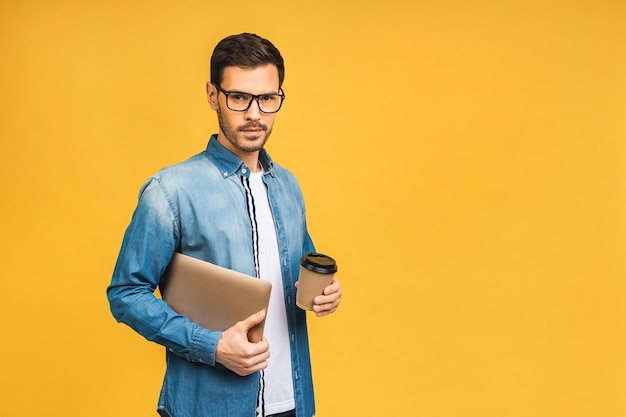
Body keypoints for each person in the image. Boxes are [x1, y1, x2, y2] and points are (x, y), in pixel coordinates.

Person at [106, 33, 342, 417]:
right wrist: (210, 345)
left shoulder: (288, 185)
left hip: (293, 402)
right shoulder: (170, 190)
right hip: (209, 407)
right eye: (239, 98)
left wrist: (326, 291)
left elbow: (303, 269)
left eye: (267, 99)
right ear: (213, 95)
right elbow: (125, 293)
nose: (255, 114)